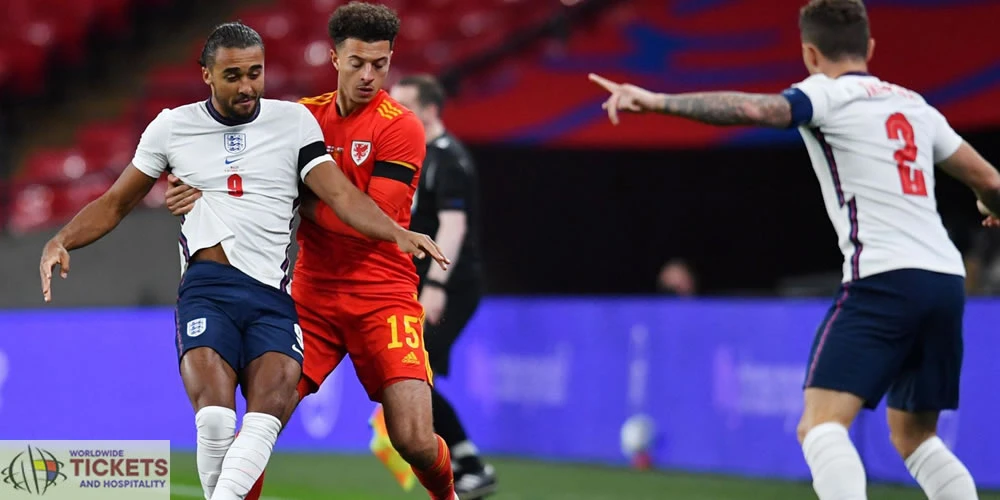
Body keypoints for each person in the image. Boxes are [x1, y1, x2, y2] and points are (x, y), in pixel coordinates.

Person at [589, 1, 1000, 499]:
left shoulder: (824, 94)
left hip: (883, 278)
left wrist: (658, 101)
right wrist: (988, 201)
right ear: (869, 48)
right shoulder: (915, 105)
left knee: (820, 427)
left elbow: (754, 109)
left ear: (809, 53)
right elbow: (989, 180)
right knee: (916, 438)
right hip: (945, 282)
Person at [38, 22, 447, 500]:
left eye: (256, 73)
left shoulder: (293, 124)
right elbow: (115, 202)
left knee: (290, 421)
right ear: (207, 74)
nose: (248, 85)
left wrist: (396, 231)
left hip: (282, 298)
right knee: (215, 419)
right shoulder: (173, 127)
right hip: (214, 290)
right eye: (233, 75)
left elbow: (340, 196)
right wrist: (61, 239)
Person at [165, 4, 460, 500]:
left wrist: (291, 197)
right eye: (357, 63)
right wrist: (194, 190)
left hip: (383, 295)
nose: (369, 76)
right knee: (262, 418)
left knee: (412, 438)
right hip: (311, 298)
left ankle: (447, 494)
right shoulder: (300, 118)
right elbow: (233, 171)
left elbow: (371, 219)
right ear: (333, 57)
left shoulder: (400, 126)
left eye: (380, 65)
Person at [391, 74, 496, 498]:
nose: (395, 114)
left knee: (411, 372)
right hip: (426, 282)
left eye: (405, 105)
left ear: (431, 109)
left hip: (451, 284)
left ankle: (468, 462)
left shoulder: (448, 158)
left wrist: (434, 284)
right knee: (410, 374)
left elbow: (454, 226)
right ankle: (465, 461)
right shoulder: (417, 153)